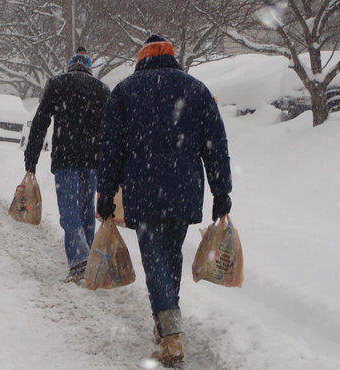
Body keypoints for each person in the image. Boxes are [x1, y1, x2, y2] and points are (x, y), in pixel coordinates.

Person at [96, 34, 233, 365]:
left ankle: (170, 335)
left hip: (144, 189)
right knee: (169, 256)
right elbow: (215, 143)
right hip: (184, 190)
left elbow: (110, 146)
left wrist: (106, 190)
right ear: (172, 58)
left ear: (142, 59)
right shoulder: (196, 89)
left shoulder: (125, 91)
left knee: (156, 259)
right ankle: (165, 321)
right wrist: (221, 190)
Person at [24, 47, 111, 283]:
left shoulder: (58, 84)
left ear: (71, 65)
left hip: (65, 158)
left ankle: (80, 260)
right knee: (85, 210)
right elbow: (110, 130)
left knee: (69, 210)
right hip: (91, 160)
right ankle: (90, 262)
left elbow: (41, 121)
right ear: (88, 68)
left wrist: (31, 159)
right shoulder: (101, 89)